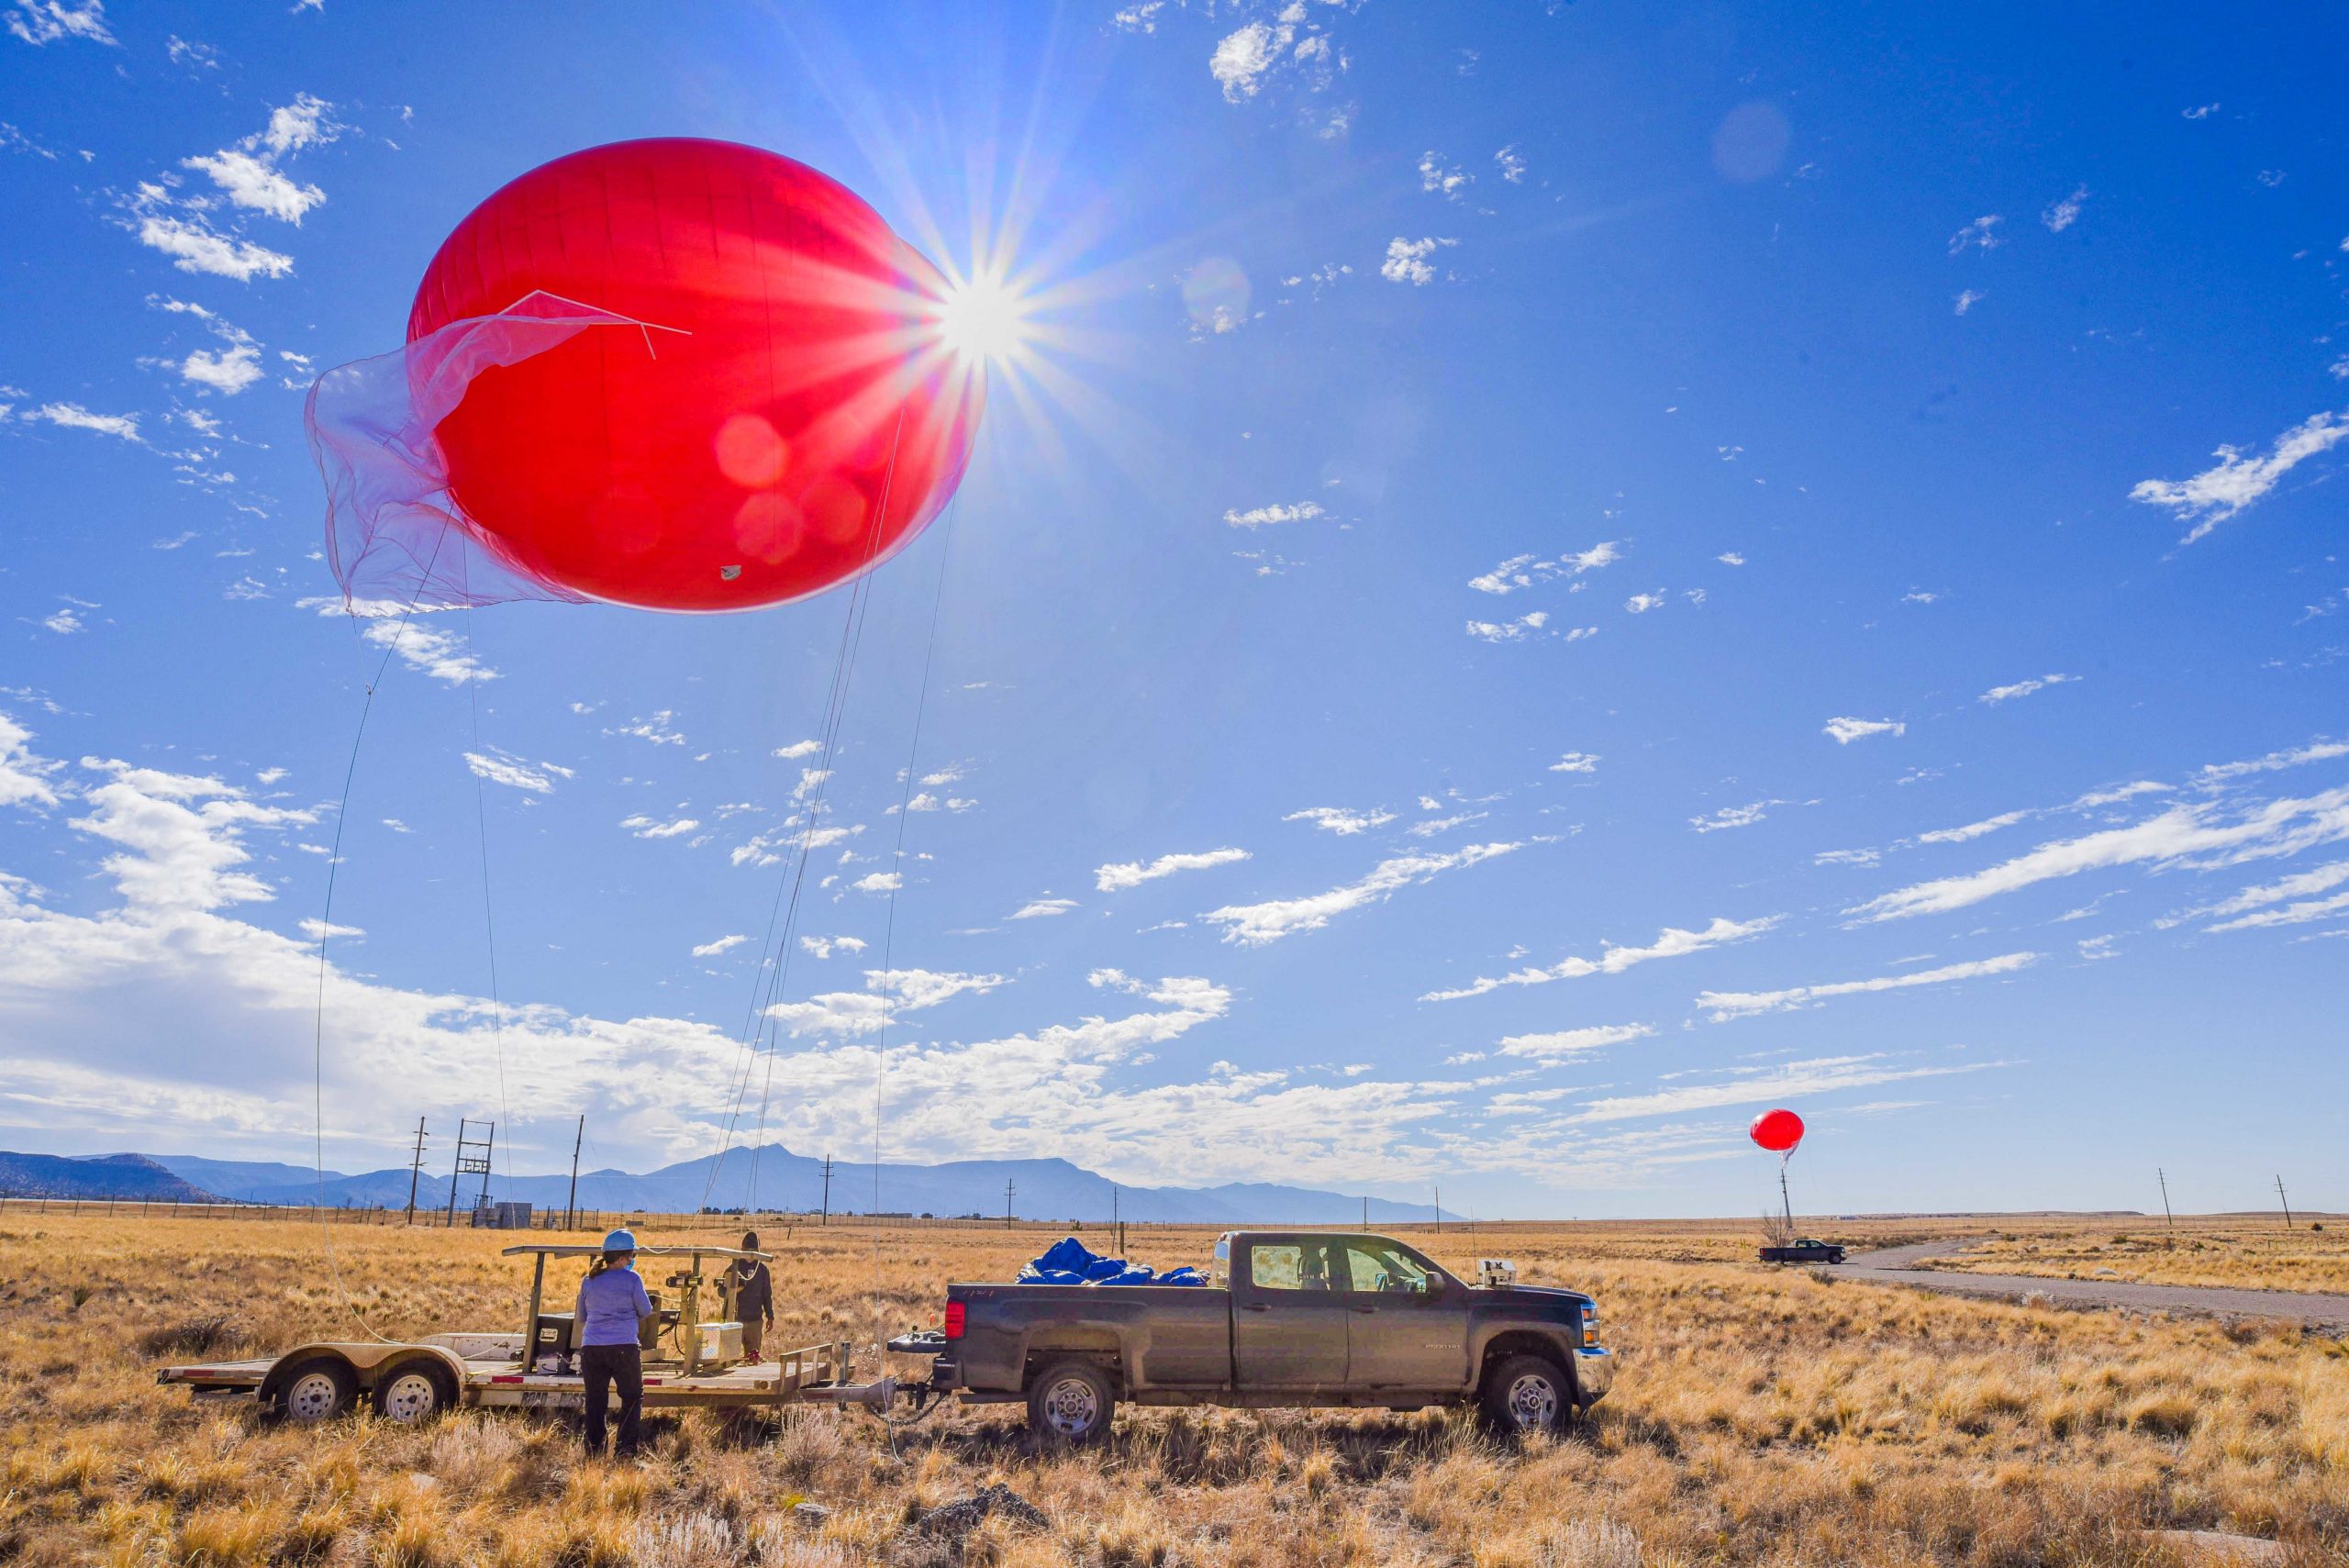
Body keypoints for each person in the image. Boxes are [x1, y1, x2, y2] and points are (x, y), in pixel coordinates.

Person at [575, 1229, 653, 1459]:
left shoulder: (588, 1281)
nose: (632, 1260)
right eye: (631, 1256)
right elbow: (646, 1310)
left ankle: (595, 1452)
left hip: (592, 1348)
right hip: (624, 1347)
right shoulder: (632, 1279)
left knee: (595, 1400)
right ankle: (625, 1451)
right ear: (621, 1258)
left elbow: (582, 1316)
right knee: (631, 1397)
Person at [731, 1230, 775, 1360]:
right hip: (735, 1320)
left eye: (753, 1251)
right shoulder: (734, 1267)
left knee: (753, 1358)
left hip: (755, 1321)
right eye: (748, 1251)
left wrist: (770, 1316)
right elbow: (722, 1291)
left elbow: (767, 1295)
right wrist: (735, 1291)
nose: (750, 1255)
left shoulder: (762, 1270)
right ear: (742, 1249)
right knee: (728, 1358)